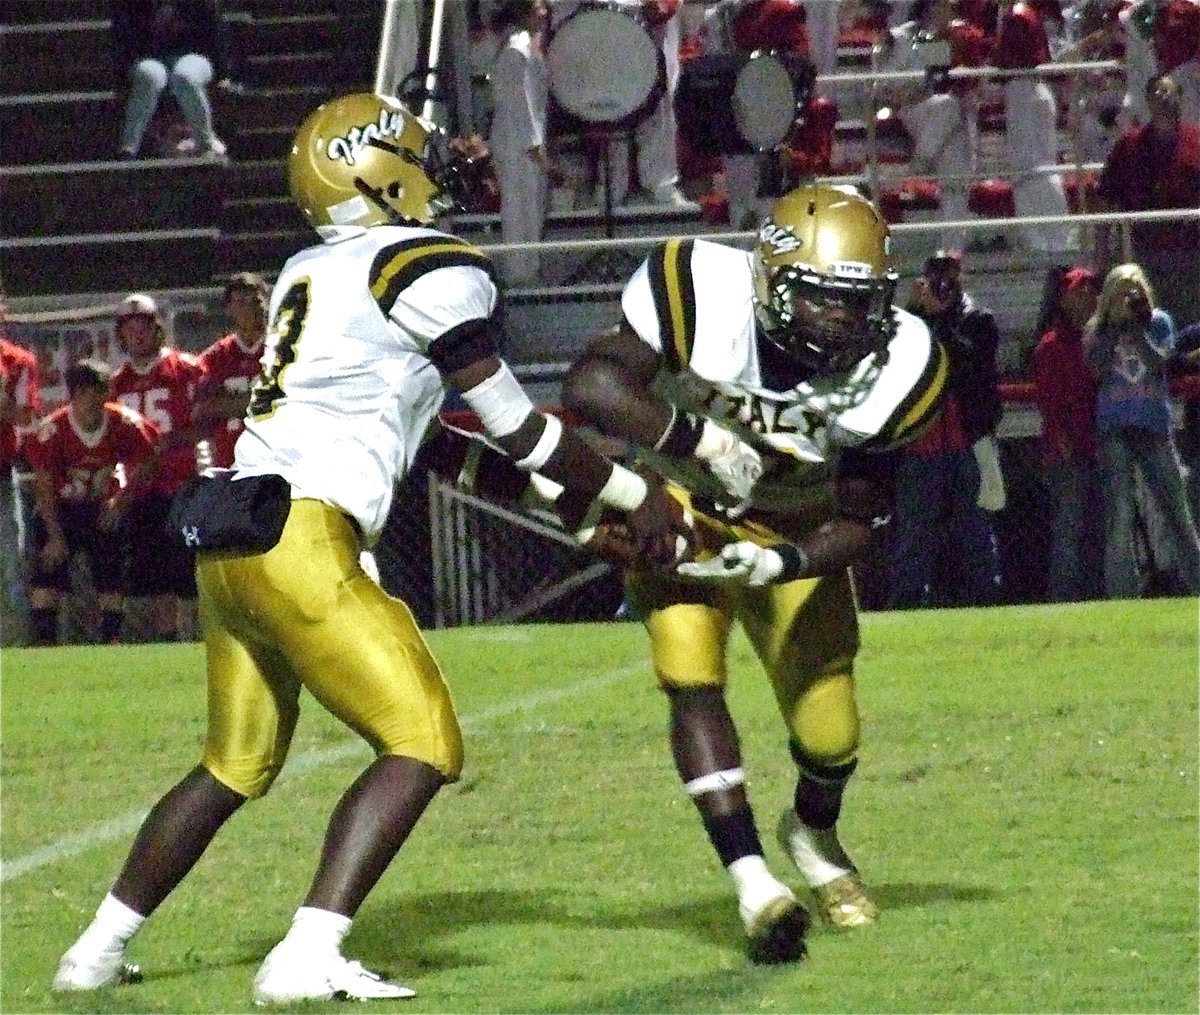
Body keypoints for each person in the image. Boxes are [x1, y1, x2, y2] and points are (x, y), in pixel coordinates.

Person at [52, 91, 689, 1005]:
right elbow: (512, 422)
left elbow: (438, 447)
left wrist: (586, 519)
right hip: (304, 538)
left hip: (235, 538)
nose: (439, 173)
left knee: (232, 764)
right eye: (419, 157)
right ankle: (308, 953)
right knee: (421, 740)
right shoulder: (425, 263)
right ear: (380, 173)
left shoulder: (319, 272)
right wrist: (636, 489)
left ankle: (94, 952)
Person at [555, 184, 947, 958]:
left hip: (798, 525)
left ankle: (812, 832)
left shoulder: (903, 365)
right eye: (822, 299)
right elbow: (591, 386)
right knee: (689, 670)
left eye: (857, 302)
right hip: (681, 507)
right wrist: (697, 440)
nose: (842, 321)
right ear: (768, 280)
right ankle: (750, 878)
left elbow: (860, 520)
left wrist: (779, 560)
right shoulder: (697, 286)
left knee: (830, 733)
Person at [885, 249, 1003, 608]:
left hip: (967, 437)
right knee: (914, 529)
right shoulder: (910, 322)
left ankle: (985, 597)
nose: (943, 282)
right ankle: (907, 601)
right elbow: (889, 360)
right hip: (921, 440)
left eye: (949, 273)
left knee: (975, 527)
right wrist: (910, 314)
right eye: (936, 273)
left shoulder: (979, 319)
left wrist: (941, 320)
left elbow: (969, 364)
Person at [1083, 262, 1200, 597]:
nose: (1128, 300)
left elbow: (1160, 363)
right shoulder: (1098, 328)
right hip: (1114, 430)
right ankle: (1123, 595)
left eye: (1134, 292)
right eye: (1121, 294)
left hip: (1153, 427)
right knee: (1119, 516)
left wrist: (1137, 329)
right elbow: (1098, 369)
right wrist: (1115, 328)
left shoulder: (1159, 322)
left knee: (1177, 512)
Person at [23, 360, 159, 646]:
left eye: (98, 392)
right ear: (73, 396)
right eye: (84, 393)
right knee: (47, 582)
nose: (92, 401)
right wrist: (55, 536)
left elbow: (149, 458)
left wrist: (121, 500)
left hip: (101, 508)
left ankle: (111, 643)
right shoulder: (54, 430)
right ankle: (44, 651)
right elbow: (44, 486)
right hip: (61, 511)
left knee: (111, 581)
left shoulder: (124, 423)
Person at [110, 292, 204, 641]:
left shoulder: (188, 369)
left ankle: (197, 634)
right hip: (141, 488)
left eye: (144, 328)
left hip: (181, 482)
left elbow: (205, 421)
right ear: (121, 335)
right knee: (154, 572)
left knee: (188, 566)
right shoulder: (115, 383)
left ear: (158, 329)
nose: (137, 335)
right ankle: (169, 638)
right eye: (130, 329)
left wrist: (171, 442)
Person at [878, 0, 989, 252]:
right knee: (949, 107)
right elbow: (882, 87)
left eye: (949, 8)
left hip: (944, 117)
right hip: (916, 112)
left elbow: (940, 80)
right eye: (940, 6)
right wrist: (909, 93)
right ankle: (920, 162)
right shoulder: (903, 36)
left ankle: (952, 250)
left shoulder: (943, 38)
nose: (944, 12)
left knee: (956, 178)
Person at [1097, 74, 1200, 330]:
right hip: (1144, 254)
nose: (1162, 98)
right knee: (1148, 327)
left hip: (1190, 254)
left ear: (1180, 96)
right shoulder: (1128, 146)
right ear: (1147, 102)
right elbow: (1108, 197)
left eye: (1168, 92)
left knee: (1191, 329)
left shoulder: (1197, 142)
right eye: (1155, 93)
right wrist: (1102, 253)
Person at [1031, 265, 1104, 602]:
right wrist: (1063, 442)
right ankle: (1064, 599)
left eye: (1091, 289)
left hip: (1100, 446)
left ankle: (1094, 595)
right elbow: (1050, 402)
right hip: (1068, 453)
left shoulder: (1102, 338)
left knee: (1096, 531)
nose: (1088, 295)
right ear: (1063, 298)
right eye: (1079, 290)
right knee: (1069, 530)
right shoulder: (1051, 344)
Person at [991, 1, 1079, 254]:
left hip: (1025, 89)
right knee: (1030, 167)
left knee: (1035, 167)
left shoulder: (1018, 14)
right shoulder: (1023, 12)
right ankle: (1040, 237)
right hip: (1028, 90)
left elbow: (1005, 60)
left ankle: (1055, 236)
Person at [486, 0, 562, 285]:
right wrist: (539, 154)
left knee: (533, 212)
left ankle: (530, 272)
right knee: (520, 215)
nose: (544, 12)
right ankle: (520, 277)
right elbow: (520, 108)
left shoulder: (528, 46)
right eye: (538, 7)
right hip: (518, 147)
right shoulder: (515, 53)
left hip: (529, 145)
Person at [111, 0, 232, 161]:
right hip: (150, 57)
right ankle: (129, 147)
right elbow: (123, 39)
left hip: (193, 55)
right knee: (148, 75)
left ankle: (205, 142)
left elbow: (215, 31)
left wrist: (223, 73)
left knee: (185, 76)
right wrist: (120, 79)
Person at [194, 272, 269, 469]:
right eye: (241, 302)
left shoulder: (282, 347)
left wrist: (228, 403)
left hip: (276, 456)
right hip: (231, 459)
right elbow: (202, 409)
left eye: (255, 301)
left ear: (267, 303)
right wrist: (260, 400)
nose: (249, 309)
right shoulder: (215, 357)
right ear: (229, 308)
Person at [0, 304, 42, 646]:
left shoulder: (18, 361)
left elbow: (26, 417)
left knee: (13, 562)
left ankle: (18, 647)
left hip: (1, 471)